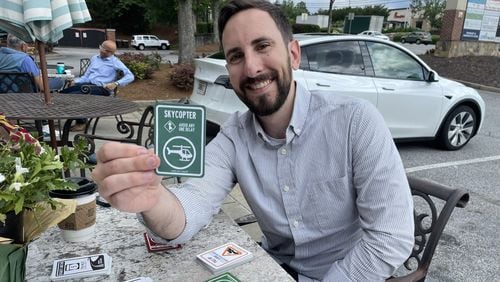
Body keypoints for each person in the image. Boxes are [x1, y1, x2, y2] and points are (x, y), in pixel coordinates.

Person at [92, 0, 414, 280]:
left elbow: (390, 238)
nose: (252, 68)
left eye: (262, 46)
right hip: (273, 269)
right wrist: (152, 198)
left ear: (293, 54)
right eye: (235, 56)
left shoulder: (354, 121)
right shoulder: (234, 136)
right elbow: (188, 211)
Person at [60, 40, 134, 131]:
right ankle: (70, 117)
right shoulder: (95, 58)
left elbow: (130, 76)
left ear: (111, 53)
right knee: (62, 94)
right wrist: (76, 81)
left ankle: (82, 122)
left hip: (102, 89)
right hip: (88, 85)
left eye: (106, 50)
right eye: (102, 48)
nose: (102, 51)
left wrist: (115, 83)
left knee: (74, 96)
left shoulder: (115, 62)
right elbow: (86, 76)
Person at [0, 34, 62, 139]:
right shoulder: (25, 60)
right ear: (23, 46)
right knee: (58, 82)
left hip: (3, 100)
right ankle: (45, 121)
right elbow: (42, 87)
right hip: (26, 100)